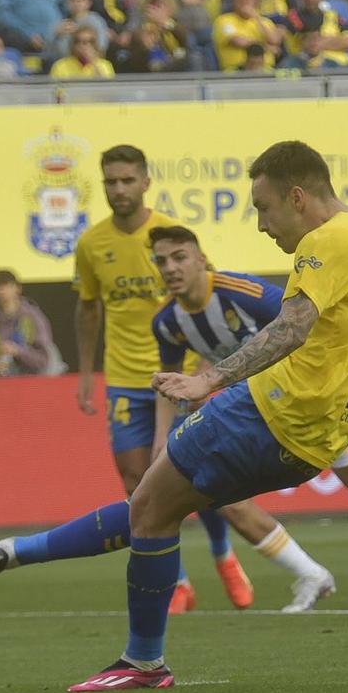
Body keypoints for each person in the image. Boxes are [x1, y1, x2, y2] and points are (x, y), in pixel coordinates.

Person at [0, 141, 348, 691]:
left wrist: (210, 379)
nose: (263, 225)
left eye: (264, 208)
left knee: (149, 505)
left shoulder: (329, 239)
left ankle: (143, 661)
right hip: (311, 443)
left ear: (297, 196)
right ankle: (9, 554)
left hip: (266, 412)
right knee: (156, 507)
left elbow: (291, 326)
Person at [144, 224, 348, 608]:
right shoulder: (166, 322)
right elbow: (169, 382)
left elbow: (304, 325)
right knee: (227, 502)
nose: (170, 268)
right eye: (161, 261)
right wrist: (161, 437)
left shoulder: (242, 291)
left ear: (201, 258)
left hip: (311, 402)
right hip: (249, 414)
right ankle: (310, 574)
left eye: (179, 257)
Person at [69, 144, 244, 613]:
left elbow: (205, 296)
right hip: (125, 377)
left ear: (146, 182)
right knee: (136, 481)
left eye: (127, 180)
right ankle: (179, 582)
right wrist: (87, 373)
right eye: (110, 181)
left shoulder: (168, 238)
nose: (119, 189)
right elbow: (89, 308)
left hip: (180, 374)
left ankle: (224, 555)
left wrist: (207, 368)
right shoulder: (91, 244)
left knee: (194, 477)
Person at [0, 269, 56, 376]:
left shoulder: (33, 317)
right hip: (2, 381)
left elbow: (44, 359)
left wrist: (17, 351)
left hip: (34, 379)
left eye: (6, 285)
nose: (2, 290)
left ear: (18, 288)